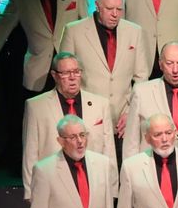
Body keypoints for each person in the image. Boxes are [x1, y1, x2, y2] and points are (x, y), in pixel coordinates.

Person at [59, 0, 150, 135]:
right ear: (97, 6)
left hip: (124, 120)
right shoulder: (74, 31)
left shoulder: (135, 32)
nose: (115, 14)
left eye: (119, 9)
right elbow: (65, 78)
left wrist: (131, 112)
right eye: (109, 9)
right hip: (86, 119)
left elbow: (142, 77)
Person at [22, 52, 114, 199]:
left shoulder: (100, 104)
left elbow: (109, 149)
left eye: (76, 72)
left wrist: (112, 189)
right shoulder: (36, 106)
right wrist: (30, 193)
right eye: (65, 73)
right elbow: (30, 152)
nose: (72, 77)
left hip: (93, 182)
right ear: (54, 75)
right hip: (54, 184)